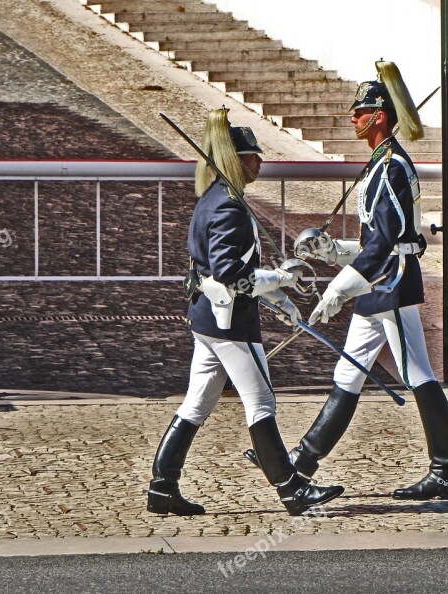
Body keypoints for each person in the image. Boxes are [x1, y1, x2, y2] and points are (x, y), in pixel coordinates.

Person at [246, 62, 448, 500]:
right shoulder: (381, 166)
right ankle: (304, 463)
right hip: (378, 283)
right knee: (348, 372)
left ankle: (447, 470)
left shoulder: (391, 168)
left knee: (417, 372)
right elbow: (375, 239)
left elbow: (387, 242)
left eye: (360, 111)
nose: (353, 117)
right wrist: (333, 252)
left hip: (390, 283)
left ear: (379, 116)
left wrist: (339, 286)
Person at [146, 109, 345, 517]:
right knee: (261, 403)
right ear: (236, 159)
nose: (260, 162)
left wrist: (282, 301)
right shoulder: (229, 208)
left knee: (196, 404)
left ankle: (162, 488)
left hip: (209, 320)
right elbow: (232, 274)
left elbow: (236, 275)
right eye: (253, 156)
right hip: (230, 323)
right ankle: (292, 491)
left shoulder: (217, 199)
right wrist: (281, 278)